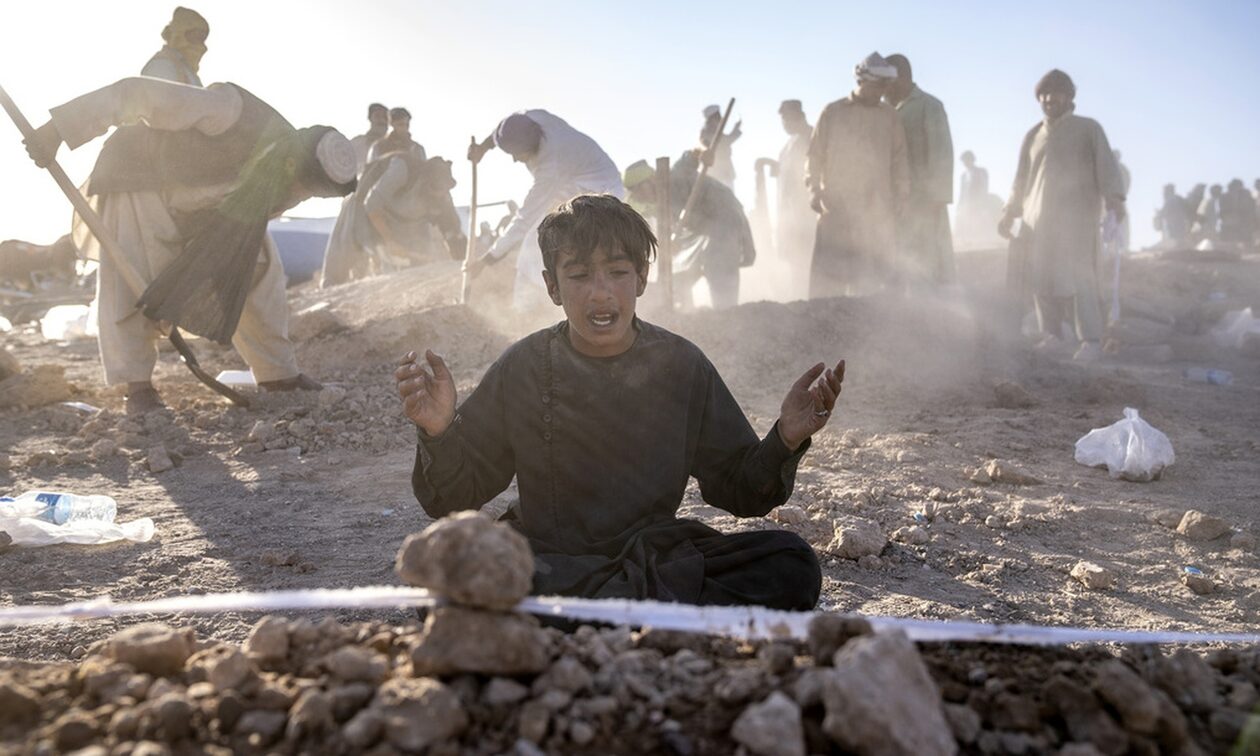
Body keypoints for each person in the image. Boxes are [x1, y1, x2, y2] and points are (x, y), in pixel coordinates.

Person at [398, 194, 837, 609]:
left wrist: (784, 438)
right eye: (579, 275)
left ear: (642, 277)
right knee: (452, 578)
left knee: (792, 561)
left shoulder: (681, 364)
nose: (601, 292)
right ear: (553, 287)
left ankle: (598, 612)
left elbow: (740, 490)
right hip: (551, 560)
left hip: (658, 554)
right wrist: (439, 431)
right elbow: (454, 499)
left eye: (617, 272)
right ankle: (646, 612)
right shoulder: (524, 366)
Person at [24, 77, 357, 414]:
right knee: (133, 272)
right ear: (291, 161)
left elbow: (238, 216)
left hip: (200, 205)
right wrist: (59, 129)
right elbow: (135, 93)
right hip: (138, 176)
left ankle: (278, 374)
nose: (297, 194)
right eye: (299, 185)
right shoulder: (231, 111)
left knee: (258, 263)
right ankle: (137, 385)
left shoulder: (291, 180)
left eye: (308, 192)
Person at [998, 69, 1126, 361]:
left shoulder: (1088, 128)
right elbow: (1020, 179)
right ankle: (1052, 336)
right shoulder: (1033, 135)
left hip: (1076, 218)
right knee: (1041, 276)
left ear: (1069, 96)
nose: (1048, 99)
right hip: (1036, 220)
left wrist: (1115, 199)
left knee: (1081, 278)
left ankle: (1091, 341)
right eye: (1042, 94)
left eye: (1054, 93)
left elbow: (1107, 167)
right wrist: (1009, 211)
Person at [465, 111, 623, 311]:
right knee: (544, 235)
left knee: (538, 239)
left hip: (601, 188)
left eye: (518, 155)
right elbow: (502, 131)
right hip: (576, 177)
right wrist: (483, 148)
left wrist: (488, 259)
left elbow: (524, 220)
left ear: (532, 148)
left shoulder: (550, 167)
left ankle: (530, 309)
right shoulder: (532, 118)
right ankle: (531, 304)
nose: (514, 160)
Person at [806, 52, 909, 298]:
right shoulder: (833, 112)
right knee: (829, 282)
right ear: (862, 81)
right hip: (836, 207)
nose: (880, 92)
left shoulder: (889, 117)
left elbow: (899, 160)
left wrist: (902, 195)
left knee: (870, 283)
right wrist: (814, 190)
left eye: (884, 87)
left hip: (876, 210)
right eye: (876, 86)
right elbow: (814, 156)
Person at [623, 153, 755, 309]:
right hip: (703, 232)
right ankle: (682, 310)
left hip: (725, 220)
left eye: (639, 189)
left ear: (651, 180)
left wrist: (705, 153)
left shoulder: (677, 174)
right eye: (634, 193)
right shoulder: (658, 204)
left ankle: (727, 313)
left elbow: (694, 153)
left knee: (718, 263)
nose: (638, 197)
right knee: (683, 265)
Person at [320, 149, 465, 287]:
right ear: (426, 180)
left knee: (417, 260)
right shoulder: (402, 169)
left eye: (444, 190)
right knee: (348, 247)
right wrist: (389, 241)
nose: (439, 194)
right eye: (436, 189)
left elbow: (452, 228)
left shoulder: (443, 196)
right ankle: (330, 285)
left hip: (403, 222)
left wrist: (460, 256)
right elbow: (371, 204)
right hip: (365, 206)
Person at [885, 54, 955, 285]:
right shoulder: (885, 110)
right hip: (893, 200)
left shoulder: (929, 106)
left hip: (923, 201)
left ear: (903, 77)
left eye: (889, 80)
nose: (885, 86)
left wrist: (936, 199)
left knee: (926, 261)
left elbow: (942, 154)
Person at [755, 100, 814, 299]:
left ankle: (808, 298)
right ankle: (799, 297)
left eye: (785, 119)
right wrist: (769, 163)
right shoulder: (790, 143)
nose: (784, 124)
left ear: (796, 116)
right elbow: (787, 170)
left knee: (806, 258)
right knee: (795, 259)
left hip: (806, 210)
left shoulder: (811, 136)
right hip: (789, 211)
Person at [141, 7, 208, 86]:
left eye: (201, 38)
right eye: (195, 36)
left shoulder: (187, 71)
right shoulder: (161, 66)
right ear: (179, 35)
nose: (202, 46)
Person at [698, 104, 742, 188]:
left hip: (724, 173)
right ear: (713, 119)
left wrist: (736, 129)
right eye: (718, 118)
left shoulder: (713, 132)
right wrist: (736, 129)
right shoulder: (708, 133)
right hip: (717, 172)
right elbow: (725, 142)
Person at [350, 103, 389, 176]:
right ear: (370, 118)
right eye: (377, 116)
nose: (381, 120)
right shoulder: (356, 143)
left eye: (385, 117)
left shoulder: (396, 147)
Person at [1220, 179, 1257, 248]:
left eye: (1239, 187)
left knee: (1246, 241)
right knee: (1228, 243)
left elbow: (1251, 207)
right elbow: (1222, 211)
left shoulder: (1246, 194)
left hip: (1243, 223)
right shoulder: (1224, 196)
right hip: (1229, 223)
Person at [1154, 184, 1192, 248]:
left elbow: (1163, 212)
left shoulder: (1170, 200)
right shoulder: (1178, 199)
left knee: (1173, 243)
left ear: (1168, 191)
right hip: (1181, 228)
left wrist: (1158, 213)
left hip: (1174, 228)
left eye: (1164, 192)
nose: (1163, 194)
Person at [1112, 150, 1131, 253]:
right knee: (1120, 223)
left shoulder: (1113, 168)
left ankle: (1121, 247)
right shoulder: (1124, 169)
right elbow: (1128, 182)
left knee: (1117, 223)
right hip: (1118, 199)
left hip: (1115, 199)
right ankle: (1121, 247)